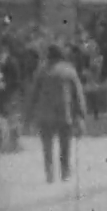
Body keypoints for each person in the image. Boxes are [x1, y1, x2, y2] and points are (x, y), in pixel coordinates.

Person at [25, 44, 88, 184]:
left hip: (45, 114)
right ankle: (65, 172)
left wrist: (28, 115)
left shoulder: (41, 71)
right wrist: (81, 114)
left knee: (47, 146)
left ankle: (49, 173)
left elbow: (33, 94)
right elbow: (78, 94)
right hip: (64, 113)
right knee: (65, 145)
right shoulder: (69, 70)